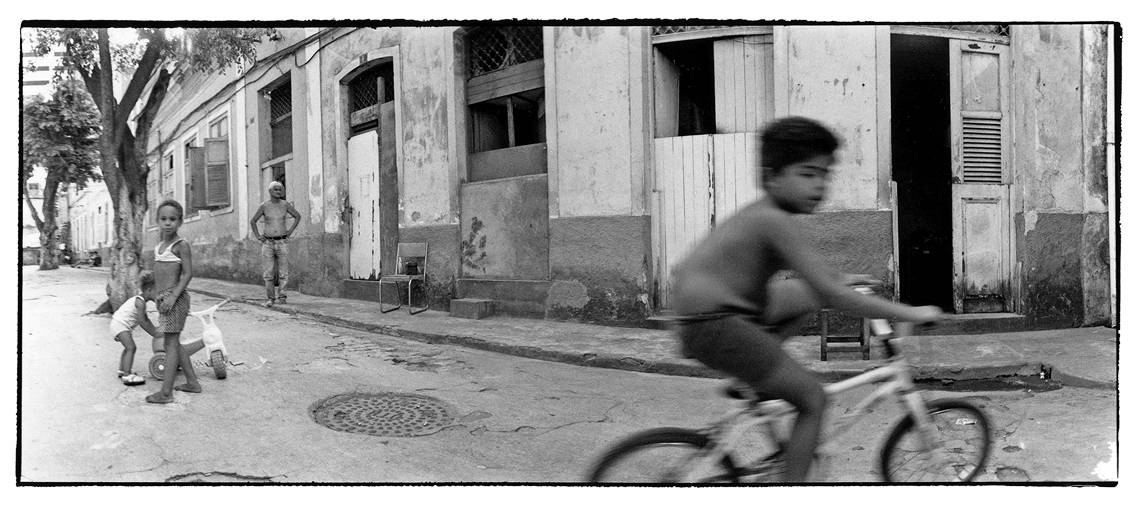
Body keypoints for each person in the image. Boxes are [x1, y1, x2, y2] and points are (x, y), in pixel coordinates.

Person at [670, 116, 943, 482]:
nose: (820, 185)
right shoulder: (774, 221)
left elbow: (816, 278)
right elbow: (834, 295)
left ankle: (750, 383)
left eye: (825, 174)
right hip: (715, 323)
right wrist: (906, 311)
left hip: (712, 312)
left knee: (803, 294)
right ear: (772, 176)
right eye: (808, 174)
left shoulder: (769, 215)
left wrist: (845, 279)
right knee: (814, 400)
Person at [146, 199, 201, 404]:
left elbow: (187, 274)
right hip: (165, 301)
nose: (168, 223)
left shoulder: (181, 245)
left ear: (180, 222)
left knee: (169, 345)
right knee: (174, 344)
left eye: (172, 219)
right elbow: (159, 274)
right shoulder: (159, 246)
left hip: (175, 301)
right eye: (163, 219)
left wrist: (172, 297)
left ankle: (166, 393)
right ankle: (193, 383)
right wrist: (156, 297)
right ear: (158, 221)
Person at [249, 181, 301, 307]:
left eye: (280, 189)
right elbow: (253, 221)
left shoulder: (285, 205)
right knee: (268, 273)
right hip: (268, 243)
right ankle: (271, 298)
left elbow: (297, 216)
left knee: (284, 272)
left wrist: (290, 231)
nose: (279, 192)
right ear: (270, 191)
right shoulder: (264, 206)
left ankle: (282, 297)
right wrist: (258, 236)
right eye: (276, 189)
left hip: (282, 242)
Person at [109, 270, 159, 386]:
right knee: (131, 347)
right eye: (158, 291)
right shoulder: (140, 303)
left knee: (128, 348)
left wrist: (155, 330)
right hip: (120, 325)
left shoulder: (140, 301)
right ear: (149, 290)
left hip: (117, 324)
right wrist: (156, 333)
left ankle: (122, 370)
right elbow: (143, 322)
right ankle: (127, 375)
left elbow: (146, 320)